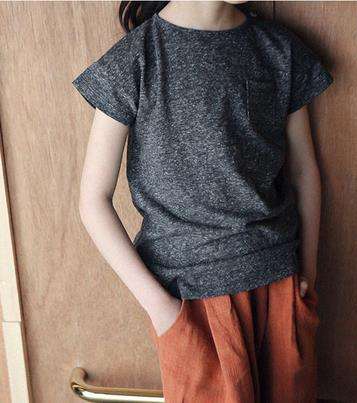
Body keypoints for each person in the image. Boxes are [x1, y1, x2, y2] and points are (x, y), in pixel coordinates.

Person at [72, 1, 334, 402]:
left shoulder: (279, 50)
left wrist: (308, 274)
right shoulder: (134, 60)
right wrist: (161, 309)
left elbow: (304, 173)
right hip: (190, 301)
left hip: (281, 284)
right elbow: (93, 200)